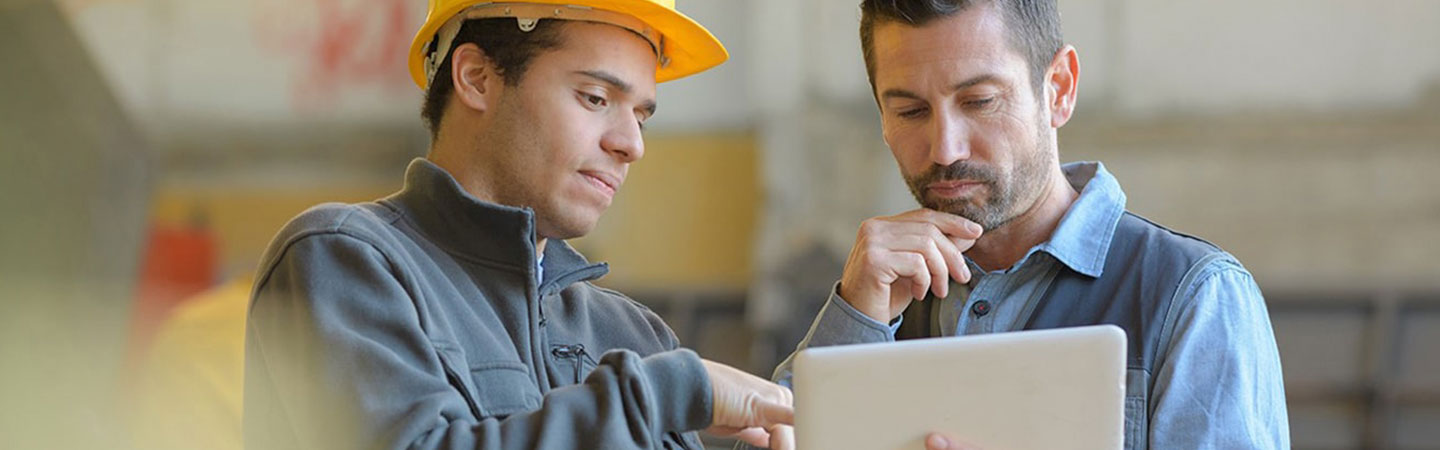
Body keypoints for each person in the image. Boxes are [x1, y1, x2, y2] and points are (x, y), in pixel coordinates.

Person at [244, 1, 794, 448]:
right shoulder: (344, 260)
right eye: (596, 98)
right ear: (477, 78)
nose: (631, 144)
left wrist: (855, 318)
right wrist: (659, 394)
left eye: (641, 115)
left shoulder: (631, 334)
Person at [772, 1, 1289, 449]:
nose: (945, 148)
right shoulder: (876, 299)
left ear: (1059, 90)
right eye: (910, 111)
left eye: (980, 102)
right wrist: (852, 323)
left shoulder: (1193, 298)